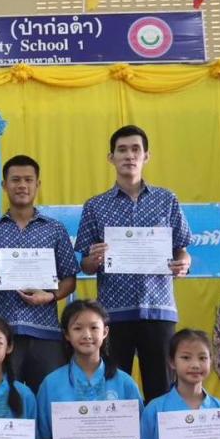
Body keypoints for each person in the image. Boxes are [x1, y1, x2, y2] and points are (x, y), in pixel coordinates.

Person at [75, 125, 191, 401]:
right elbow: (85, 265)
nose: (129, 156)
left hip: (158, 309)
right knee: (113, 392)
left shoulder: (166, 200)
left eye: (136, 149)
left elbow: (182, 251)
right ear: (111, 157)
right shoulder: (95, 206)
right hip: (113, 314)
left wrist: (183, 264)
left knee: (162, 391)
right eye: (122, 150)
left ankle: (158, 432)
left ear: (146, 156)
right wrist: (93, 259)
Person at [0, 155, 80, 392]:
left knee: (48, 398)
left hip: (46, 332)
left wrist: (50, 296)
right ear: (4, 185)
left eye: (28, 180)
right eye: (16, 180)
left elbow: (70, 279)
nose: (22, 185)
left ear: (37, 184)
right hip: (3, 333)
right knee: (4, 397)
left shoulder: (55, 229)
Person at [36, 300, 144, 439]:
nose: (86, 335)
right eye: (78, 328)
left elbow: (140, 437)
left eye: (94, 327)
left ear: (105, 332)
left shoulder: (125, 384)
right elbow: (43, 438)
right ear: (66, 334)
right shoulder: (51, 384)